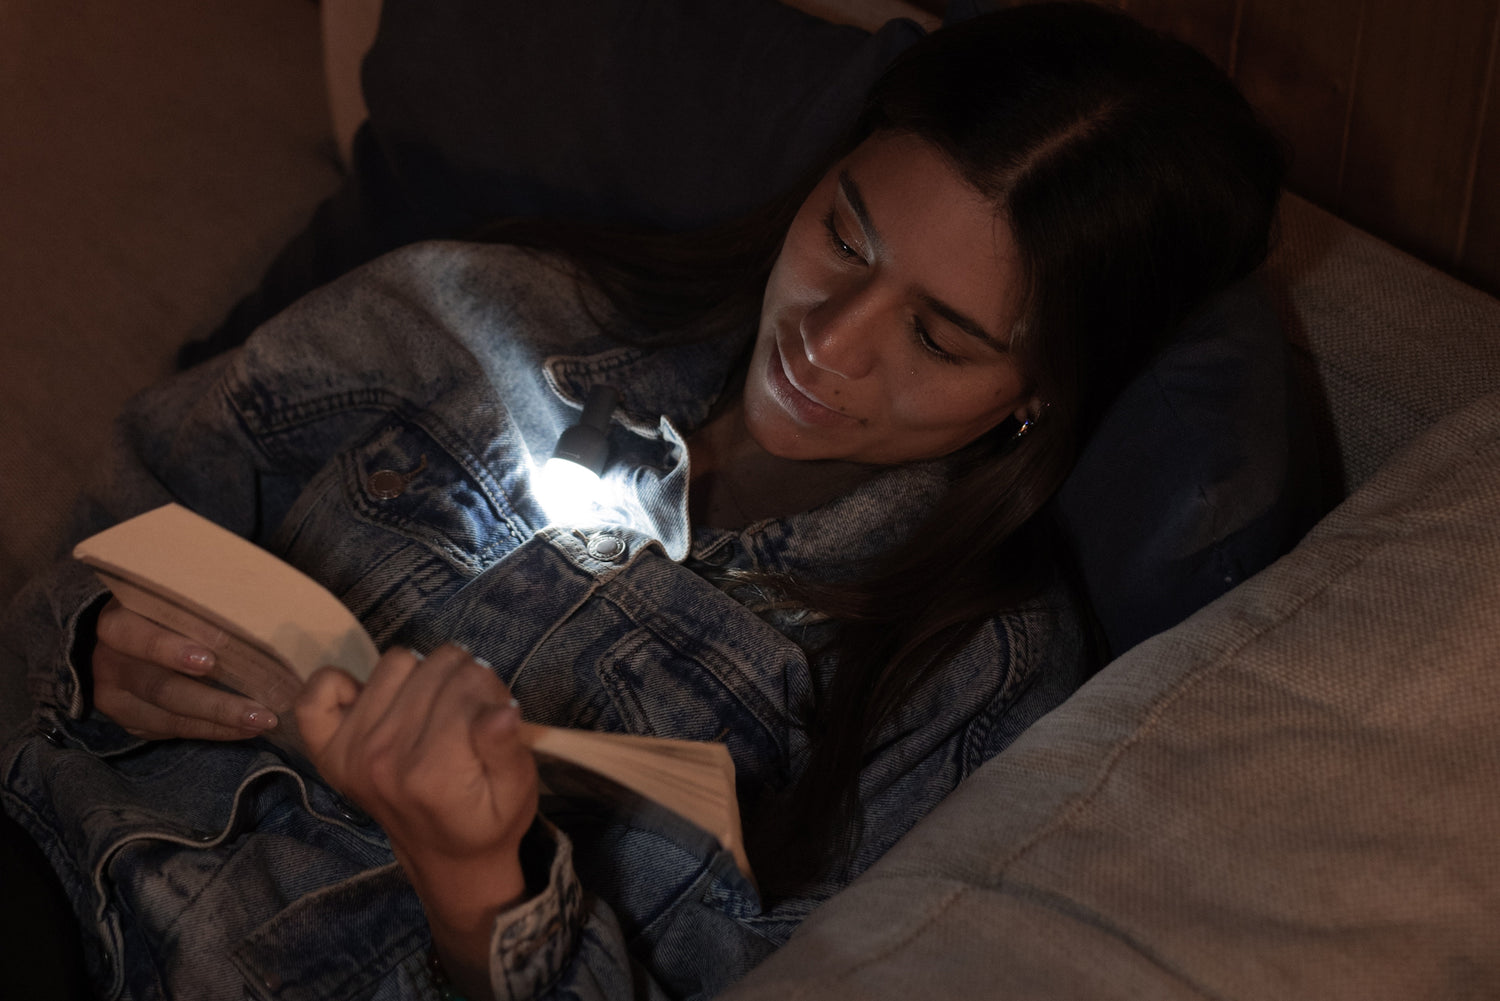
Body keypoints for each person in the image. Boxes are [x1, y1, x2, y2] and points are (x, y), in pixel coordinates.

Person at [0, 4, 1285, 999]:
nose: (829, 346)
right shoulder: (483, 315)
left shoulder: (968, 688)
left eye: (940, 340)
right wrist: (92, 643)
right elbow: (114, 513)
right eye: (845, 237)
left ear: (1039, 394)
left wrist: (479, 890)